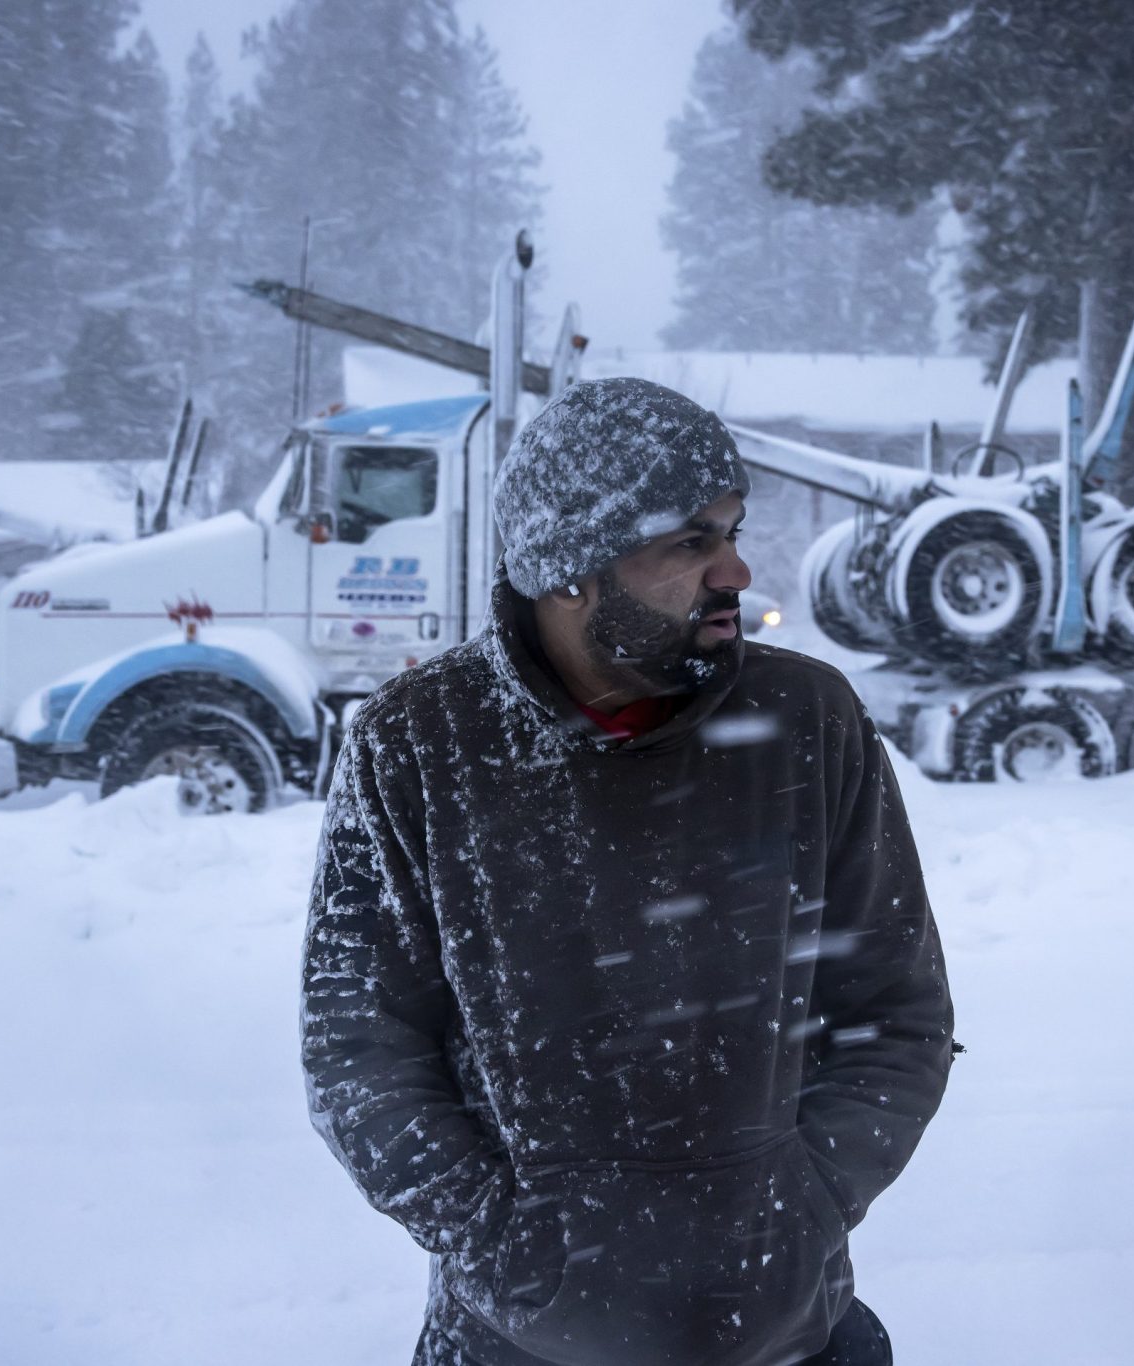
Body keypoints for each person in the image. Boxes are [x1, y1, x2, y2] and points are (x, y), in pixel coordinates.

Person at [301, 377, 954, 1366]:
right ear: (569, 569)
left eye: (731, 529)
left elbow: (894, 1015)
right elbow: (359, 1053)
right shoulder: (419, 743)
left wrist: (799, 1208)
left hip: (788, 1339)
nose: (735, 568)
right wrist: (505, 1247)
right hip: (515, 1345)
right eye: (690, 543)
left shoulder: (808, 723)